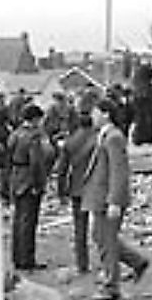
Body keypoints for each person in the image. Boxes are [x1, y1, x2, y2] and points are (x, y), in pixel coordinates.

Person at [84, 99, 149, 300]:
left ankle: (111, 285)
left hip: (108, 198)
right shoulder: (103, 136)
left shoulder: (114, 138)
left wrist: (115, 201)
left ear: (106, 114)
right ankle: (137, 261)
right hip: (99, 196)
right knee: (100, 236)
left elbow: (118, 171)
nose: (92, 117)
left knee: (107, 241)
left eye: (95, 113)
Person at [8, 103, 55, 271]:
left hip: (17, 176)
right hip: (29, 178)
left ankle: (17, 257)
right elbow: (36, 162)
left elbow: (8, 155)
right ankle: (27, 259)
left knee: (18, 219)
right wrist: (38, 183)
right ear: (35, 119)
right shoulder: (34, 137)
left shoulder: (15, 134)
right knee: (29, 221)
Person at [54, 110, 96, 274]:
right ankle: (108, 262)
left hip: (77, 187)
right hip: (96, 187)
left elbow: (62, 169)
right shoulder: (98, 139)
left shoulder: (70, 141)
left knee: (80, 228)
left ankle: (82, 263)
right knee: (102, 228)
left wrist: (61, 192)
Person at [132, 53, 152, 144]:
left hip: (137, 96)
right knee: (148, 116)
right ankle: (147, 137)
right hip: (146, 96)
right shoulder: (147, 69)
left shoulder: (136, 70)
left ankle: (138, 137)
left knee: (139, 117)